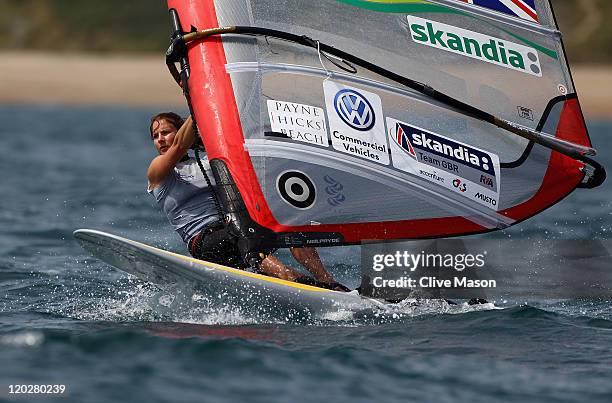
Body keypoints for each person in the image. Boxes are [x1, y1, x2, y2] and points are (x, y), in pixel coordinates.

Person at [147, 112, 348, 291]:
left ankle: (328, 282)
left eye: (165, 132)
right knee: (242, 232)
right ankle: (290, 276)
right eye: (155, 136)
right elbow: (178, 145)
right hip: (205, 244)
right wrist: (198, 103)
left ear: (180, 130)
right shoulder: (159, 171)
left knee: (288, 223)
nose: (160, 140)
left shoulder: (210, 163)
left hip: (236, 232)